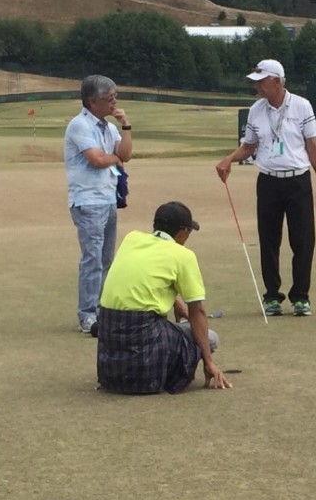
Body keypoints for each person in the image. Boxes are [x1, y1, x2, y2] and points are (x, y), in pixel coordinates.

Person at [215, 59, 316, 317]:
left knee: (302, 240)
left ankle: (300, 296)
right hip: (268, 181)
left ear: (276, 81)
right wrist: (229, 158)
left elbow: (313, 147)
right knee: (268, 240)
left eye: (261, 82)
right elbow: (249, 146)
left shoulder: (302, 106)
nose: (257, 87)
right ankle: (272, 296)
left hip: (298, 180)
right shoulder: (256, 110)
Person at [95, 202, 231, 394]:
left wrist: (176, 301)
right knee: (211, 339)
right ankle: (167, 373)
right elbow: (197, 311)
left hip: (110, 331)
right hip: (143, 333)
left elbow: (141, 275)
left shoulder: (132, 239)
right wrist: (209, 362)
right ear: (183, 231)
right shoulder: (183, 255)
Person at [64, 74, 133, 334]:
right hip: (87, 200)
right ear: (93, 101)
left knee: (106, 258)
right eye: (109, 99)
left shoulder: (109, 126)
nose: (114, 103)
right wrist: (114, 158)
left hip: (107, 198)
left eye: (115, 97)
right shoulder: (80, 125)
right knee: (92, 258)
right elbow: (96, 159)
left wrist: (125, 125)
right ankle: (88, 315)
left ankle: (103, 309)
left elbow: (125, 154)